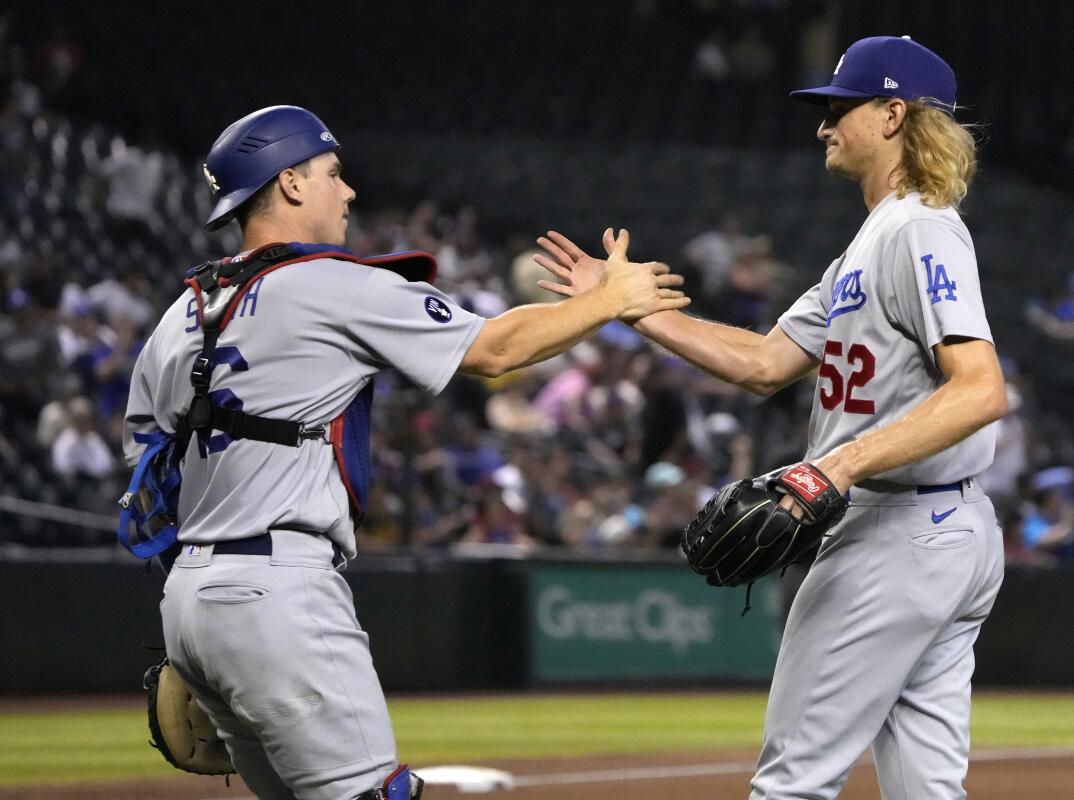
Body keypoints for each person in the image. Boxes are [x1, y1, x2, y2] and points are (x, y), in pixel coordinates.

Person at [122, 105, 687, 800]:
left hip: (189, 601)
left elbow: (146, 473)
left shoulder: (181, 312)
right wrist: (611, 300)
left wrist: (208, 616)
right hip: (279, 592)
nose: (350, 190)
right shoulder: (330, 283)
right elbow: (498, 350)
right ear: (291, 183)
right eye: (333, 173)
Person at [536, 36, 1006, 800]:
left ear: (894, 115)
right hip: (933, 531)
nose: (823, 126)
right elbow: (762, 363)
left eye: (839, 109)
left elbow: (980, 389)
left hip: (896, 530)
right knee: (926, 789)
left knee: (792, 781)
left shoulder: (921, 226)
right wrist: (626, 308)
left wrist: (839, 464)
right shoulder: (872, 240)